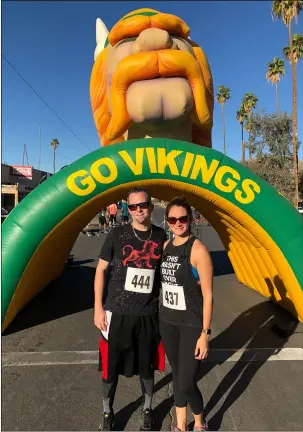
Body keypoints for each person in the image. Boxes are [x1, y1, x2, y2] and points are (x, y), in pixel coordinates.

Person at [94, 187, 167, 431]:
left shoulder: (160, 235)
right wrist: (98, 308)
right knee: (110, 367)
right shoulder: (117, 233)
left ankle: (147, 409)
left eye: (143, 205)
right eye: (133, 206)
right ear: (128, 208)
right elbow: (101, 270)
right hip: (117, 312)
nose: (138, 210)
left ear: (150, 207)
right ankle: (107, 413)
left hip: (148, 313)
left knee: (146, 367)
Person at [159, 196, 213, 432]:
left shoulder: (198, 249)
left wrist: (205, 333)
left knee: (187, 380)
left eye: (182, 218)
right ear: (167, 221)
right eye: (173, 219)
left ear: (190, 220)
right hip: (168, 321)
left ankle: (200, 422)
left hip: (191, 324)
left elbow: (209, 295)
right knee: (177, 376)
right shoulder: (166, 246)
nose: (178, 223)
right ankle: (180, 425)